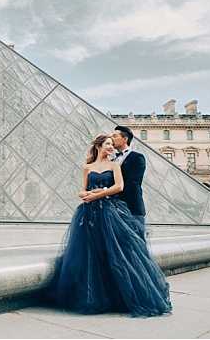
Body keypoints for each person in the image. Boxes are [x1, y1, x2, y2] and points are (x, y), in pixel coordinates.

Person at [52, 134, 172, 317]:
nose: (111, 147)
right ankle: (96, 296)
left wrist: (98, 194)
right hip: (89, 213)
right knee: (92, 254)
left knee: (116, 253)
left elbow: (119, 187)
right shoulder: (87, 167)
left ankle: (119, 297)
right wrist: (84, 194)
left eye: (112, 144)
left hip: (110, 212)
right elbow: (82, 188)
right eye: (108, 144)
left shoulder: (114, 165)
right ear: (99, 146)